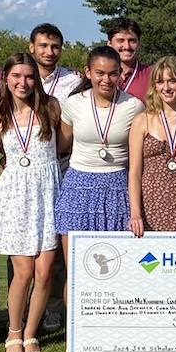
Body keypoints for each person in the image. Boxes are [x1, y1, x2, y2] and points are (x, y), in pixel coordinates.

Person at [0, 53, 62, 352]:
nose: (23, 82)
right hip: (15, 194)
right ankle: (14, 332)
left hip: (47, 190)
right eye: (16, 76)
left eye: (29, 77)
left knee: (45, 272)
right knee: (24, 272)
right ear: (6, 78)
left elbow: (64, 146)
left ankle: (30, 333)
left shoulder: (51, 107)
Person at [55, 46, 145, 267]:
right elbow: (61, 145)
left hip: (117, 189)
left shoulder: (134, 106)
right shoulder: (74, 103)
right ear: (88, 72)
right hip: (78, 188)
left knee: (115, 269)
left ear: (120, 74)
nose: (106, 79)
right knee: (76, 271)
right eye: (100, 73)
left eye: (113, 73)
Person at [27, 23, 80, 333]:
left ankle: (52, 310)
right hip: (25, 167)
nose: (49, 51)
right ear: (32, 47)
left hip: (62, 164)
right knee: (23, 244)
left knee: (56, 242)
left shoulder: (72, 81)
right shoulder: (18, 77)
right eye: (43, 45)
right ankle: (19, 310)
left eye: (55, 46)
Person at [128, 58, 176, 235]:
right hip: (149, 205)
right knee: (150, 262)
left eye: (172, 81)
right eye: (160, 82)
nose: (166, 87)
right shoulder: (142, 120)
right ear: (154, 86)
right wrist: (135, 213)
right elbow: (134, 171)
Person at [106, 18, 152, 103]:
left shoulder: (152, 74)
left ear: (139, 44)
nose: (127, 46)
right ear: (110, 44)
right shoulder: (100, 76)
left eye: (132, 41)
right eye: (120, 40)